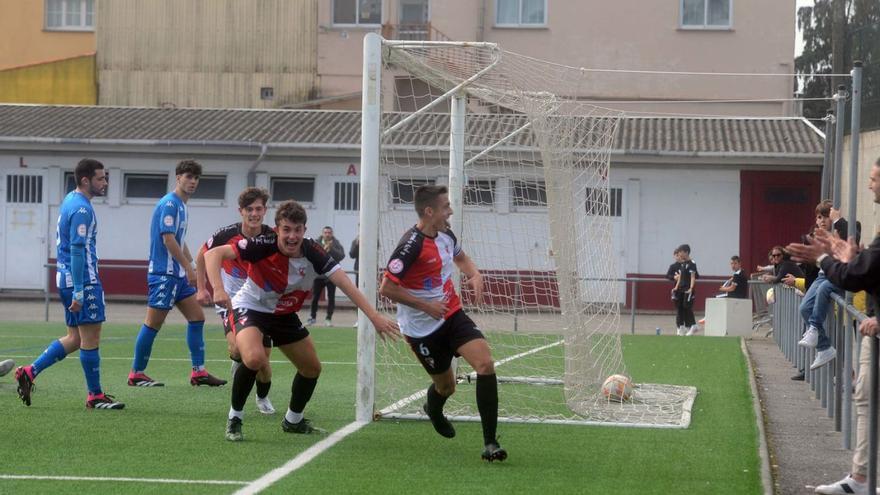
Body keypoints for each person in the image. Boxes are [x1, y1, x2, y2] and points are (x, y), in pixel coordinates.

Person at [205, 199, 400, 441]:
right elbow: (213, 254)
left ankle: (293, 420)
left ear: (305, 231)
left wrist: (374, 316)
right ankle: (235, 418)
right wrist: (217, 289)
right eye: (286, 229)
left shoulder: (314, 252)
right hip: (251, 307)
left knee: (312, 368)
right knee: (254, 358)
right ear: (277, 230)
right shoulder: (260, 244)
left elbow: (345, 284)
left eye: (297, 230)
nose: (291, 236)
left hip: (285, 315)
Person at [378, 185, 508, 462]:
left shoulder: (446, 234)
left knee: (485, 364)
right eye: (445, 206)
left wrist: (475, 274)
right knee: (446, 387)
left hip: (452, 314)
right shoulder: (409, 246)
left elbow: (461, 258)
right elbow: (387, 289)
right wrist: (426, 306)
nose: (450, 210)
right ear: (429, 211)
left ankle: (490, 443)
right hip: (421, 330)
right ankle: (434, 410)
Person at [786, 155, 880, 495]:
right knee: (865, 398)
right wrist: (848, 257)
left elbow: (858, 276)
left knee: (866, 398)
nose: (869, 184)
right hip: (872, 325)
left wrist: (826, 258)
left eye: (874, 178)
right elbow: (864, 269)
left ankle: (820, 340)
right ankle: (860, 478)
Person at [14, 158, 123, 409]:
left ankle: (30, 372)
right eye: (100, 178)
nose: (105, 183)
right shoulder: (82, 208)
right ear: (86, 180)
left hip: (65, 277)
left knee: (74, 337)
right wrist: (80, 290)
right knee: (90, 337)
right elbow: (76, 249)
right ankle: (95, 396)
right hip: (82, 279)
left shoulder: (70, 200)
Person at [128, 159, 225, 387]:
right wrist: (189, 268)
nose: (192, 182)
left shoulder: (182, 205)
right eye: (188, 176)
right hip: (164, 274)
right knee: (153, 323)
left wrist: (192, 262)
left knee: (197, 317)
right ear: (178, 177)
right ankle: (136, 373)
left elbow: (178, 240)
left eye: (196, 178)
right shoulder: (170, 204)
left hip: (176, 276)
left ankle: (199, 372)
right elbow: (168, 239)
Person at [196, 187, 276, 414]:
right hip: (231, 302)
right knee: (237, 349)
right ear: (240, 211)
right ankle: (237, 358)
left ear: (264, 210)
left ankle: (262, 398)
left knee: (262, 363)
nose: (254, 214)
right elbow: (202, 255)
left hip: (261, 303)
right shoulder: (225, 235)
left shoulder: (272, 236)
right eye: (249, 209)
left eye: (258, 209)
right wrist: (202, 288)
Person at [794, 200, 855, 371]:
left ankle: (813, 327)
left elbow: (852, 239)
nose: (821, 220)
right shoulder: (819, 235)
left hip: (838, 277)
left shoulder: (846, 227)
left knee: (824, 289)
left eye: (826, 216)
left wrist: (837, 221)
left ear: (834, 215)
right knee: (804, 308)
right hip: (823, 275)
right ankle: (824, 347)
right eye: (819, 217)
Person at [306, 226, 345, 327]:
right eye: (325, 232)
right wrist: (323, 250)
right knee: (315, 297)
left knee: (331, 298)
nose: (327, 234)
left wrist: (331, 249)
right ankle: (312, 317)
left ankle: (328, 319)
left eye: (329, 232)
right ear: (322, 233)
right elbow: (310, 256)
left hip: (332, 275)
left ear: (332, 234)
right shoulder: (316, 242)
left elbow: (342, 256)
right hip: (319, 275)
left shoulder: (336, 243)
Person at [666, 244, 699, 336]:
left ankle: (693, 325)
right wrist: (676, 287)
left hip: (688, 288)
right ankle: (683, 327)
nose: (680, 255)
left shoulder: (692, 263)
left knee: (687, 306)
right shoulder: (683, 264)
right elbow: (680, 277)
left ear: (686, 252)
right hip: (681, 288)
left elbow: (693, 277)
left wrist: (691, 288)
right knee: (681, 307)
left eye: (681, 252)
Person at [350, 233, 360, 328]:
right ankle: (359, 319)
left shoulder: (373, 239)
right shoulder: (355, 241)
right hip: (359, 271)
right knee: (359, 295)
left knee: (372, 296)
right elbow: (352, 255)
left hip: (371, 270)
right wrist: (357, 245)